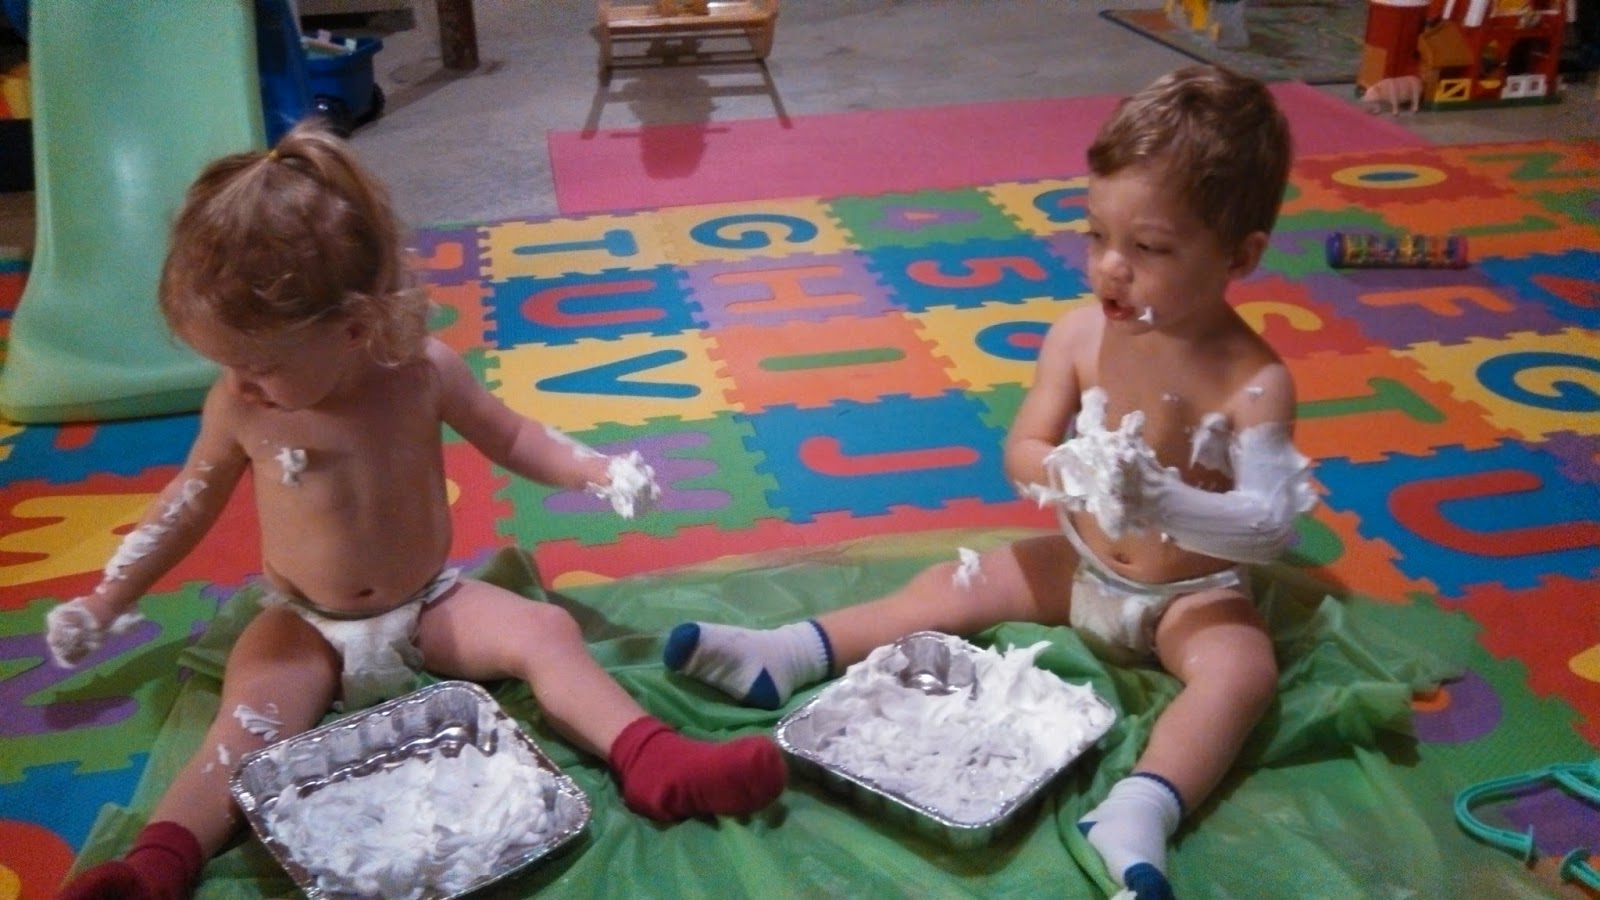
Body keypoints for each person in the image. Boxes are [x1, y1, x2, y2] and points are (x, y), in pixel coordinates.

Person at [49, 121, 785, 900]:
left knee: (547, 633)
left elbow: (513, 435)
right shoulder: (242, 409)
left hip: (428, 604)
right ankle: (156, 864)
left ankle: (654, 758)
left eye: (258, 364)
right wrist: (108, 599)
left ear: (354, 325)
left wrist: (597, 470)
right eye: (228, 365)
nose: (240, 383)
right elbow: (186, 507)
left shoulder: (422, 373)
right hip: (304, 622)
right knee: (243, 727)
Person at [664, 64, 1314, 900]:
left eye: (1150, 248)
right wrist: (1072, 473)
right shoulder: (1079, 336)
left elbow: (1269, 526)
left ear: (1240, 256)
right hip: (1083, 563)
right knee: (956, 582)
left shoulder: (1254, 381)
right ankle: (789, 651)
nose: (1111, 268)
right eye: (1096, 235)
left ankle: (1141, 808)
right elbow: (1023, 449)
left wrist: (1163, 501)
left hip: (1188, 593)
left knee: (1242, 674)